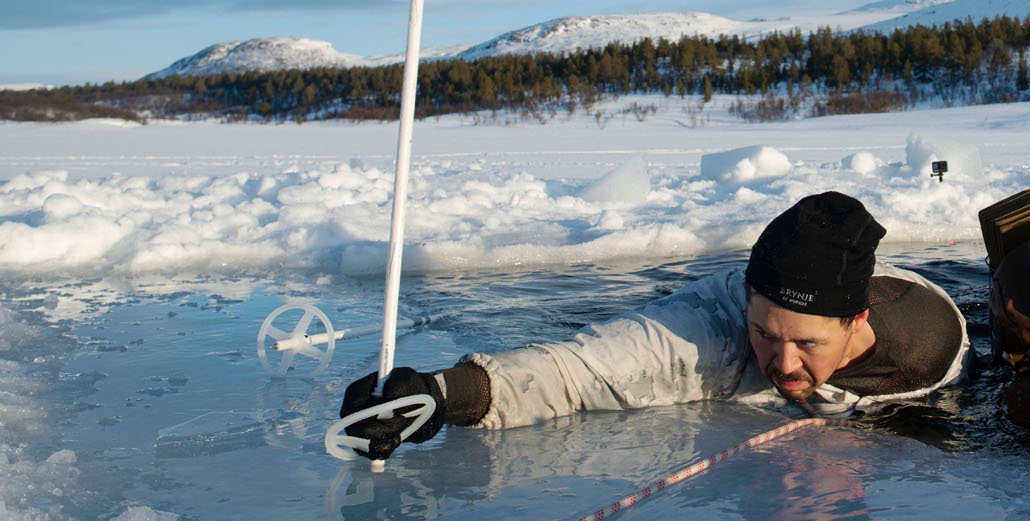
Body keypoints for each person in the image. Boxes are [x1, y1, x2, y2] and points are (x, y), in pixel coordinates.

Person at [339, 191, 969, 459]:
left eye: (806, 344)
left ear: (855, 319)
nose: (780, 365)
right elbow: (585, 371)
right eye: (766, 334)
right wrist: (443, 395)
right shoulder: (713, 332)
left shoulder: (928, 347)